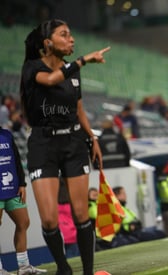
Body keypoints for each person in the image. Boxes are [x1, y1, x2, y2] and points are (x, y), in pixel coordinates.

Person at [20, 19, 108, 275]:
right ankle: (63, 268)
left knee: (81, 213)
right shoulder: (32, 67)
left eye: (71, 35)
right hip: (43, 143)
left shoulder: (72, 71)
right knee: (49, 219)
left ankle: (88, 272)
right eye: (64, 35)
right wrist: (81, 61)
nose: (71, 39)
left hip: (73, 142)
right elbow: (49, 80)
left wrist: (93, 138)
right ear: (48, 43)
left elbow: (78, 108)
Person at [0, 127, 47, 275]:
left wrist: (22, 183)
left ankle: (24, 266)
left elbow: (16, 159)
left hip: (12, 188)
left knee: (23, 222)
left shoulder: (6, 134)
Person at [57, 178, 79, 258]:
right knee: (73, 258)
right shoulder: (72, 202)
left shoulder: (54, 204)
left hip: (60, 235)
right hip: (72, 234)